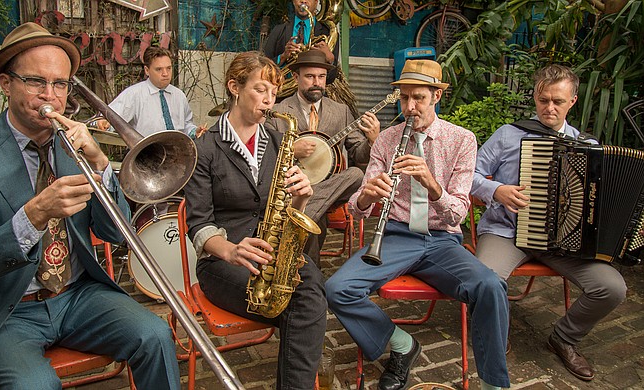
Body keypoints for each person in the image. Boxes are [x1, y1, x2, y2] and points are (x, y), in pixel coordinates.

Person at [0, 22, 180, 388]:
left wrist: (101, 165)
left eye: (60, 84)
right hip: (8, 311)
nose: (50, 96)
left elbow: (116, 234)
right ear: (6, 84)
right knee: (35, 385)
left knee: (156, 335)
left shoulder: (74, 144)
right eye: (37, 82)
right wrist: (34, 215)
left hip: (77, 296)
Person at [326, 59, 510, 390]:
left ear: (436, 96)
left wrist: (431, 184)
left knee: (490, 286)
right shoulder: (386, 140)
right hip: (395, 236)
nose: (410, 107)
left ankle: (493, 383)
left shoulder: (462, 140)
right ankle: (401, 344)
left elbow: (457, 214)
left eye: (419, 98)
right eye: (405, 98)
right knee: (337, 289)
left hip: (442, 240)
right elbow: (356, 210)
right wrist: (367, 195)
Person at [471, 64, 627, 382]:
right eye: (543, 100)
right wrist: (496, 190)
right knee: (485, 280)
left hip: (563, 242)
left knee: (612, 288)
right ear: (535, 97)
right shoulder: (508, 135)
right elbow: (468, 176)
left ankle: (564, 338)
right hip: (506, 231)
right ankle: (495, 336)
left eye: (558, 100)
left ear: (573, 101)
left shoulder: (589, 148)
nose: (549, 107)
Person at [183, 51, 327, 390]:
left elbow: (285, 208)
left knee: (311, 289)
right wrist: (231, 251)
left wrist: (302, 196)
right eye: (260, 89)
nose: (269, 100)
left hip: (271, 252)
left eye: (274, 93)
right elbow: (199, 224)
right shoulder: (204, 147)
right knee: (306, 306)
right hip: (223, 261)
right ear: (235, 87)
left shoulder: (279, 141)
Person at [265, 49, 379, 265]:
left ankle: (303, 214)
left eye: (321, 77)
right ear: (296, 77)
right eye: (309, 76)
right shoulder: (279, 110)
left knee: (356, 173)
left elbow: (358, 153)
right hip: (290, 188)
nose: (316, 82)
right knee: (317, 222)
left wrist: (373, 140)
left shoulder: (341, 111)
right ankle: (310, 277)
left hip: (330, 185)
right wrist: (291, 148)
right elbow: (264, 152)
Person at [101, 46, 198, 138]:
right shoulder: (134, 94)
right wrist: (102, 123)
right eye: (159, 69)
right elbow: (108, 118)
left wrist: (194, 131)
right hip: (145, 152)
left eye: (168, 68)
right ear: (147, 70)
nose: (165, 74)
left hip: (177, 151)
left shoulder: (179, 95)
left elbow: (186, 125)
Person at [263, 0, 338, 80]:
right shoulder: (278, 30)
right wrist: (282, 57)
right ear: (293, 1)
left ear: (316, 2)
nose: (303, 1)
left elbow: (331, 78)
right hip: (283, 89)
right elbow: (263, 67)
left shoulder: (328, 33)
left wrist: (330, 60)